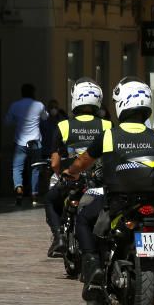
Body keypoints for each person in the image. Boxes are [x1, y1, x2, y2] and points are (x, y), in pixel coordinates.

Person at [64, 77, 154, 301]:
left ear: (122, 104)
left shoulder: (109, 135)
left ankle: (92, 266)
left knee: (82, 218)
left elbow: (83, 161)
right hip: (153, 204)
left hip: (117, 201)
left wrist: (70, 172)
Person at [44, 79, 111, 258]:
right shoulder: (107, 125)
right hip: (99, 180)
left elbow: (55, 163)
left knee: (50, 200)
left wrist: (62, 175)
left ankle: (59, 238)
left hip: (73, 181)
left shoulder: (63, 125)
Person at [5, 83, 48, 206]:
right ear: (33, 93)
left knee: (17, 167)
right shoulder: (39, 105)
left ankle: (19, 188)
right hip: (35, 141)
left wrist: (17, 120)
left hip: (20, 142)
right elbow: (45, 118)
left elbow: (7, 121)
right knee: (35, 168)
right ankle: (34, 194)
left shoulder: (15, 105)